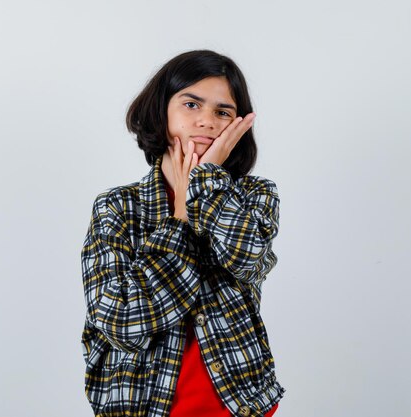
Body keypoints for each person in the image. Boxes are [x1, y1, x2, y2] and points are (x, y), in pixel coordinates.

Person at [80, 50, 283, 417]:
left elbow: (248, 259)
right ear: (162, 110)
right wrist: (179, 220)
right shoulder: (118, 207)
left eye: (223, 112)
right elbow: (121, 321)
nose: (207, 121)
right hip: (143, 406)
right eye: (192, 104)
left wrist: (206, 184)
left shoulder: (255, 195)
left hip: (240, 404)